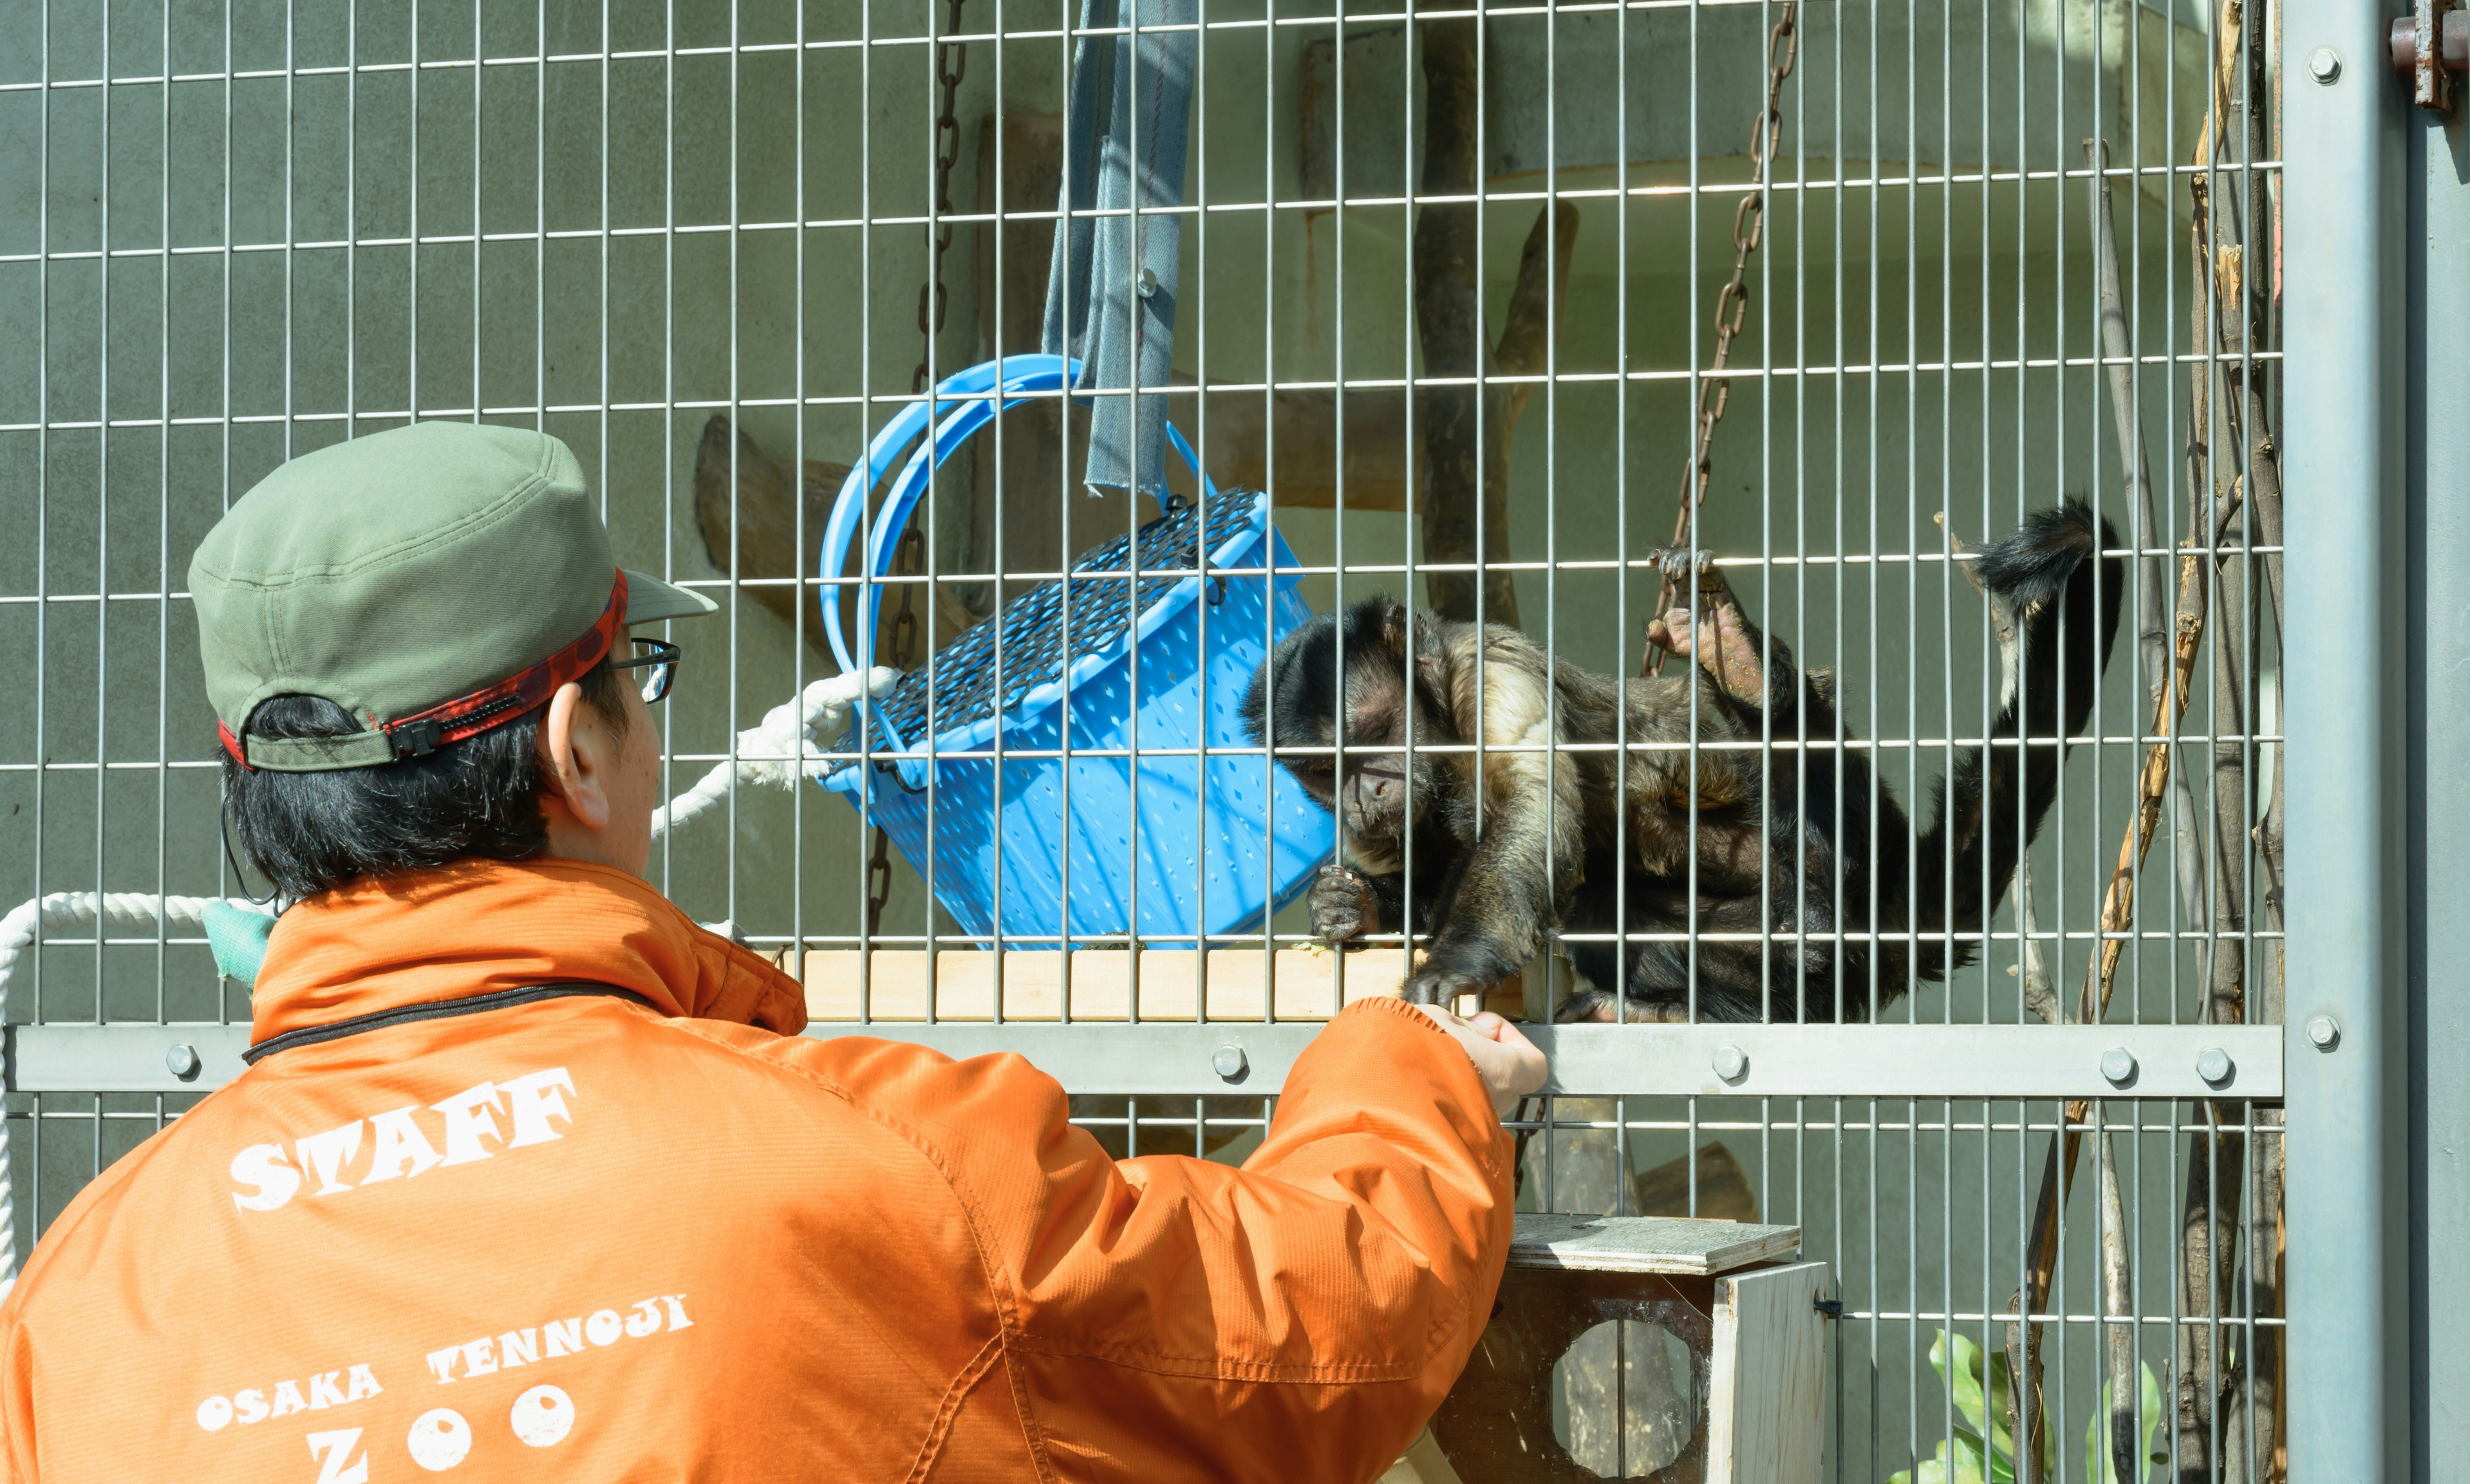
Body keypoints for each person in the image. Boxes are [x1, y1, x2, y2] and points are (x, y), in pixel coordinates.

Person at [0, 422, 1544, 1481]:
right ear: (577, 749)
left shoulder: (77, 1308)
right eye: (640, 673)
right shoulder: (873, 1166)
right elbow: (1302, 1328)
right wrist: (1415, 1065)